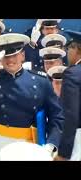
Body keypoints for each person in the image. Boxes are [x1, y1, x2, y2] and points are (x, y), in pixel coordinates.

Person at [56, 30, 81, 161]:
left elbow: (71, 115)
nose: (67, 53)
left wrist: (63, 153)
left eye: (69, 48)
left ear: (77, 50)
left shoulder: (72, 74)